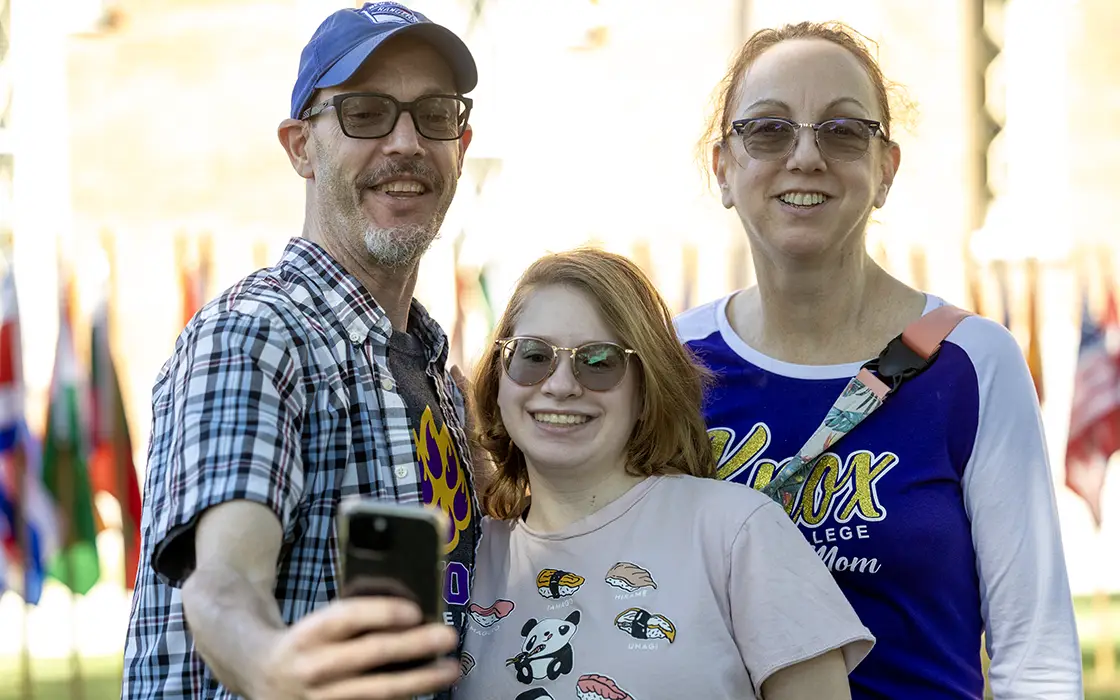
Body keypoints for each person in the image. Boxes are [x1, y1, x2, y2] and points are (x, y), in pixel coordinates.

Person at [674, 21, 1083, 699]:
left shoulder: (969, 362)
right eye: (769, 130)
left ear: (885, 170)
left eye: (842, 131)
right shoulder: (673, 361)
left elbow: (1036, 657)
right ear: (723, 168)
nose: (806, 156)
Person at [122, 3, 483, 699]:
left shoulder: (436, 374)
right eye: (365, 113)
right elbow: (223, 580)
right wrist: (268, 662)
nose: (406, 142)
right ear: (299, 148)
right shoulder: (255, 334)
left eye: (434, 114)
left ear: (461, 146)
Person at [454, 247, 875, 700]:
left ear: (645, 389)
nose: (560, 385)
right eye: (534, 356)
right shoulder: (468, 556)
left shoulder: (736, 532)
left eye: (599, 362)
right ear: (498, 378)